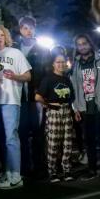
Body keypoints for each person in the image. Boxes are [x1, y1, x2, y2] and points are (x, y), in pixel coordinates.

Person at [0, 25, 32, 189]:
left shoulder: (15, 53)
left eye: (1, 35)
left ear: (6, 37)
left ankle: (16, 175)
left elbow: (28, 76)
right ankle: (6, 172)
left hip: (10, 100)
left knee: (11, 137)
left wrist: (15, 76)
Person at [71, 33, 100, 180]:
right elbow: (74, 87)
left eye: (85, 43)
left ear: (90, 44)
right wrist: (76, 108)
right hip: (84, 109)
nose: (82, 46)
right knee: (88, 141)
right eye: (79, 44)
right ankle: (92, 169)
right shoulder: (76, 64)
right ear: (77, 47)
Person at [13, 16, 50, 176]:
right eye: (24, 28)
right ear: (20, 29)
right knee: (21, 133)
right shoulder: (14, 49)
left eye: (30, 28)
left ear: (35, 29)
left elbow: (47, 75)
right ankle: (25, 168)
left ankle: (40, 167)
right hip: (19, 97)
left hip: (36, 97)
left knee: (38, 133)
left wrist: (41, 94)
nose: (28, 31)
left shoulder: (43, 50)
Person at [36, 53, 76, 183]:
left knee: (67, 143)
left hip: (67, 111)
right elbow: (38, 97)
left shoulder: (67, 79)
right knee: (53, 143)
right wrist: (48, 105)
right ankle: (52, 171)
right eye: (58, 62)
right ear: (53, 64)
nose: (61, 64)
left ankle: (66, 170)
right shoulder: (48, 79)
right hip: (54, 112)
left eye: (63, 62)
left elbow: (72, 97)